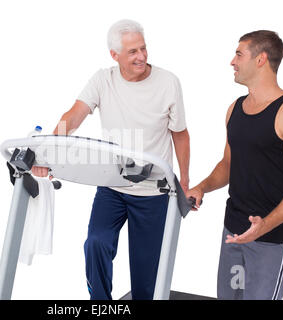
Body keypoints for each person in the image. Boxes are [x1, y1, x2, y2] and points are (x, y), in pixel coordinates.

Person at [32, 19, 190, 300]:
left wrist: (185, 183)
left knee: (146, 281)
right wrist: (49, 154)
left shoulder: (168, 83)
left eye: (143, 48)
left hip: (153, 192)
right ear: (114, 55)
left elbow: (180, 135)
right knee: (96, 243)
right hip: (112, 187)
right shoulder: (103, 80)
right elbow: (74, 115)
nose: (141, 56)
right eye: (132, 52)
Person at [187, 30, 283, 300]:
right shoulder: (235, 108)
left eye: (239, 54)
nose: (232, 62)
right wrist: (202, 187)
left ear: (261, 59)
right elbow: (228, 164)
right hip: (233, 232)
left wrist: (265, 224)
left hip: (269, 239)